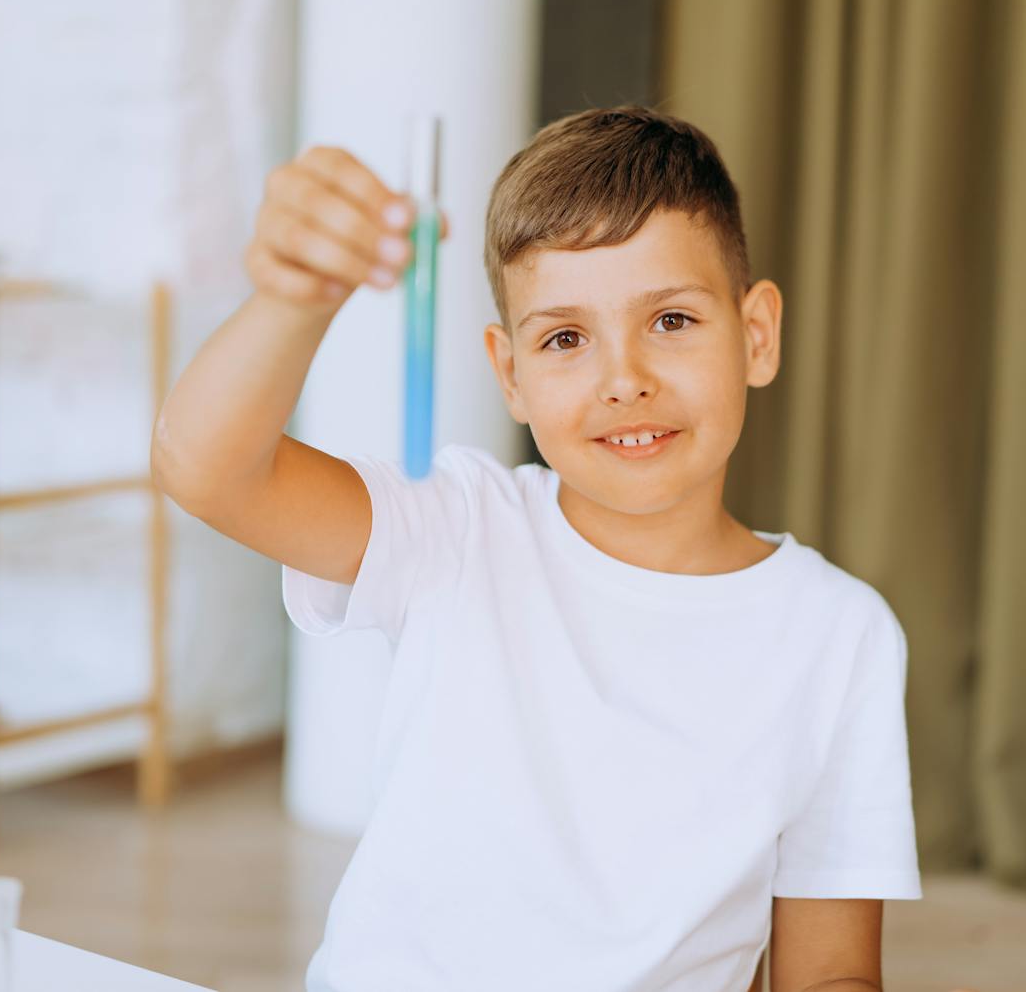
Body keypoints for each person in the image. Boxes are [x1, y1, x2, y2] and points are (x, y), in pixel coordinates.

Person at [152, 106, 922, 992]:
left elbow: (828, 974)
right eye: (565, 338)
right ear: (509, 371)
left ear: (756, 334)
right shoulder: (456, 531)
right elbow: (205, 468)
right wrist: (294, 298)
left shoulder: (841, 634)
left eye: (671, 321)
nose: (623, 377)